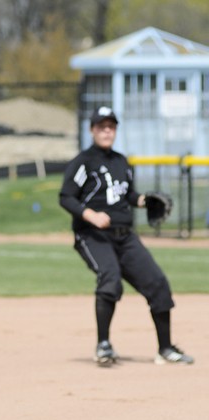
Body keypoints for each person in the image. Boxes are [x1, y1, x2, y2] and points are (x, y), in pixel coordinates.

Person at [59, 106, 194, 367]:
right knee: (110, 278)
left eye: (111, 126)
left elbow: (127, 194)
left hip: (125, 236)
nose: (106, 131)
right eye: (101, 126)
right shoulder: (83, 162)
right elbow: (66, 197)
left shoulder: (122, 161)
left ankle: (165, 349)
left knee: (157, 283)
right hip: (92, 234)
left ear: (116, 130)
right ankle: (103, 345)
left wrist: (144, 201)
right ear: (92, 130)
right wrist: (91, 215)